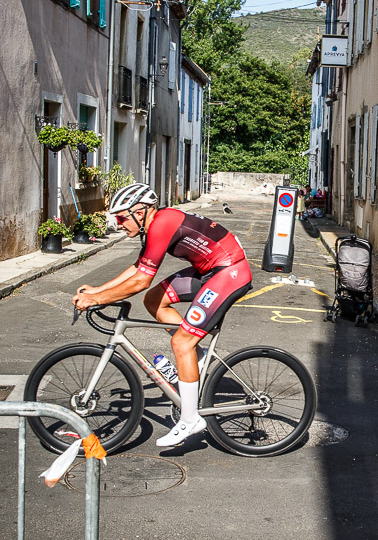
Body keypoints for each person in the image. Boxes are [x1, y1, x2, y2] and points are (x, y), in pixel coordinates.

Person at [72, 182, 252, 447]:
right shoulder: (156, 224)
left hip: (230, 271)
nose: (120, 224)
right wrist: (98, 289)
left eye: (123, 217)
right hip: (209, 271)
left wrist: (96, 299)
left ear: (141, 211)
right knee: (154, 300)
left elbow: (140, 280)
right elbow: (138, 269)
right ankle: (197, 356)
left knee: (180, 342)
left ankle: (190, 420)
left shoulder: (163, 223)